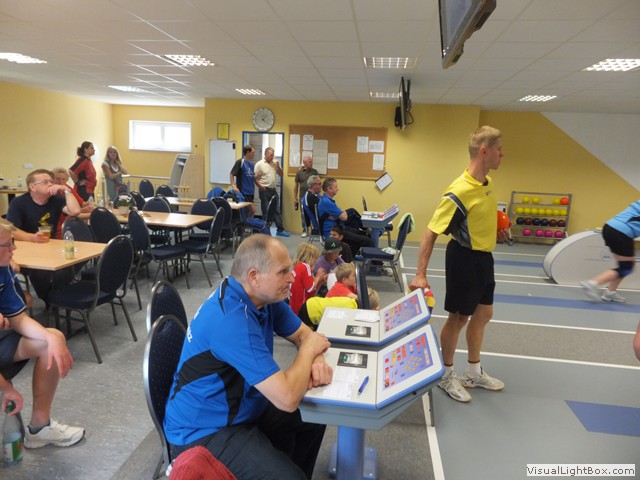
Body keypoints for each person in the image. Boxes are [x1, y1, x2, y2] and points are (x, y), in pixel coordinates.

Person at [164, 235, 333, 479]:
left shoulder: (262, 297)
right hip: (203, 431)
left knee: (317, 415)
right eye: (283, 272)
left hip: (242, 405)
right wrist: (309, 351)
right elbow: (287, 398)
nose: (292, 277)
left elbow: (304, 334)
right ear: (254, 276)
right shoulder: (232, 321)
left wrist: (315, 356)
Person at [409, 126, 508, 403]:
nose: (502, 154)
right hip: (464, 259)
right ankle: (446, 374)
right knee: (458, 318)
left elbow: (480, 218)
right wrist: (420, 274)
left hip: (484, 258)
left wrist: (496, 231)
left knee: (484, 313)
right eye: (499, 149)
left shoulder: (487, 183)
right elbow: (431, 232)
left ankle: (474, 372)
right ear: (484, 151)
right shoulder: (458, 191)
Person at [0, 221, 85, 449]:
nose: (14, 249)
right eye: (7, 245)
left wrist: (50, 337)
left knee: (51, 340)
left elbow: (18, 318)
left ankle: (39, 428)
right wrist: (6, 388)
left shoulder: (3, 269)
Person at [6, 169, 81, 300]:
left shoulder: (56, 200)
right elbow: (11, 230)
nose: (51, 184)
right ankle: (49, 299)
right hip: (25, 250)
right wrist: (32, 237)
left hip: (49, 247)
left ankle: (56, 297)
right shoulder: (19, 203)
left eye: (51, 182)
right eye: (45, 182)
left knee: (70, 265)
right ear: (32, 187)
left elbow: (75, 211)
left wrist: (66, 190)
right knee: (40, 272)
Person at [580, 201, 640, 303]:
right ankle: (593, 283)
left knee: (626, 265)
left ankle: (610, 293)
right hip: (622, 232)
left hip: (610, 227)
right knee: (626, 267)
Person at [317, 177, 373, 254]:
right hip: (334, 233)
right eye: (335, 187)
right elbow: (344, 217)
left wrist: (339, 214)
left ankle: (351, 256)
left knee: (364, 234)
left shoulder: (326, 200)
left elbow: (341, 213)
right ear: (329, 189)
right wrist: (340, 213)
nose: (338, 189)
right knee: (368, 240)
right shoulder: (327, 202)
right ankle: (375, 261)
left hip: (338, 228)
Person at [254, 147, 290, 236]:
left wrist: (279, 167)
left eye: (273, 155)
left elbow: (281, 174)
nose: (272, 157)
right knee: (266, 210)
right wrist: (260, 186)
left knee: (277, 210)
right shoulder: (259, 164)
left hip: (273, 190)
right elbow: (254, 179)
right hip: (264, 190)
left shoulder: (274, 164)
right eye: (271, 155)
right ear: (265, 154)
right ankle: (265, 229)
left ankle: (280, 230)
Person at [52, 167, 94, 239]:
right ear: (52, 180)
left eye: (63, 179)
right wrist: (92, 215)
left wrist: (85, 207)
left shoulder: (67, 188)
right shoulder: (52, 193)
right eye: (57, 179)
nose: (61, 182)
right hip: (60, 229)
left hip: (71, 223)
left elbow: (82, 204)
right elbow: (67, 216)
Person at [289, 243, 327, 315]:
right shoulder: (305, 267)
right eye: (315, 258)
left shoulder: (297, 266)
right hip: (302, 306)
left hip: (294, 304)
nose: (315, 260)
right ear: (310, 257)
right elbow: (310, 288)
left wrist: (319, 282)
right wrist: (318, 276)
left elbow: (309, 290)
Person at [294, 156, 318, 238]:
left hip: (313, 196)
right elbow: (296, 185)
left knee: (314, 213)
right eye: (309, 162)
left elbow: (317, 183)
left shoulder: (314, 172)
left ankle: (315, 230)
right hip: (302, 197)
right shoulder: (299, 173)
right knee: (303, 214)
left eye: (311, 161)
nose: (311, 163)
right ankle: (305, 230)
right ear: (304, 163)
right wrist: (295, 198)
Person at [230, 144, 256, 217]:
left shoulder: (251, 164)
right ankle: (246, 222)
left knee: (247, 211)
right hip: (244, 192)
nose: (254, 154)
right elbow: (232, 174)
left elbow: (251, 177)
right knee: (253, 210)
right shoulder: (240, 162)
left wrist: (258, 176)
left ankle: (245, 223)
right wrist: (233, 186)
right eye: (253, 152)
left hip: (251, 192)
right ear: (248, 152)